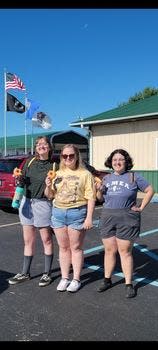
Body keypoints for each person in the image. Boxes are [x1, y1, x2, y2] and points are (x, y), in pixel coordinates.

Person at [96, 149, 154, 298]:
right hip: (108, 216)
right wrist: (98, 191)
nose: (117, 162)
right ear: (111, 162)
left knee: (125, 251)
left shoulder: (133, 176)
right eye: (114, 160)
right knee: (109, 250)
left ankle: (129, 283)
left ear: (126, 161)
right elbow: (100, 199)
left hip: (127, 217)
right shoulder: (106, 178)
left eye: (121, 159)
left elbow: (150, 190)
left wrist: (141, 207)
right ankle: (107, 280)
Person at [45, 144, 96, 293]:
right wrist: (48, 186)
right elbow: (50, 195)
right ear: (61, 157)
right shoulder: (57, 173)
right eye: (65, 156)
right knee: (63, 247)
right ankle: (65, 277)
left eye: (71, 155)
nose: (68, 158)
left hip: (77, 213)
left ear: (77, 156)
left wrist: (89, 218)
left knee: (76, 248)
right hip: (58, 213)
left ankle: (76, 279)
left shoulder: (85, 174)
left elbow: (91, 197)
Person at [9, 136, 55, 287]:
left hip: (43, 203)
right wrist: (18, 179)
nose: (41, 146)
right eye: (38, 144)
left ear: (49, 147)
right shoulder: (30, 162)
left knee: (46, 240)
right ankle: (25, 273)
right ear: (35, 148)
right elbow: (21, 181)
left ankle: (47, 274)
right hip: (27, 202)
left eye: (44, 144)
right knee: (28, 241)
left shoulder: (55, 164)